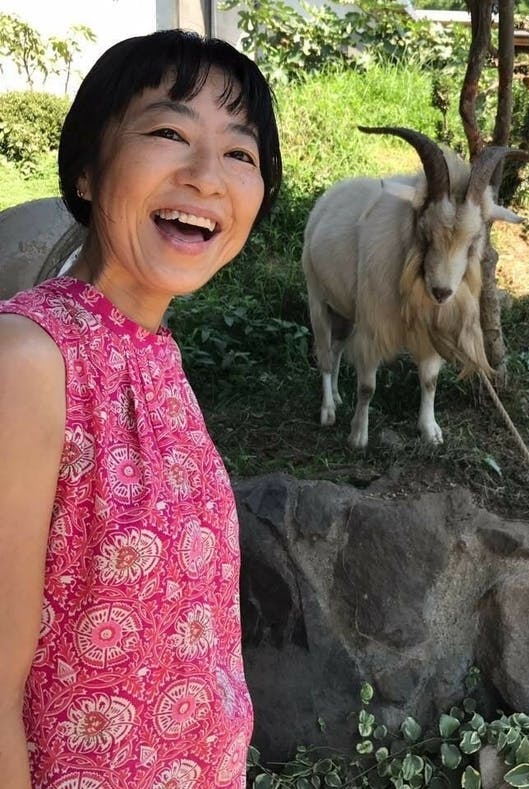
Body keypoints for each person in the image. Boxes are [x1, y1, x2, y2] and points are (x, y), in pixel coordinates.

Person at [0, 29, 281, 788]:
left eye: (240, 153)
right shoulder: (28, 360)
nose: (207, 176)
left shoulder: (153, 354)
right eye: (169, 134)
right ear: (87, 170)